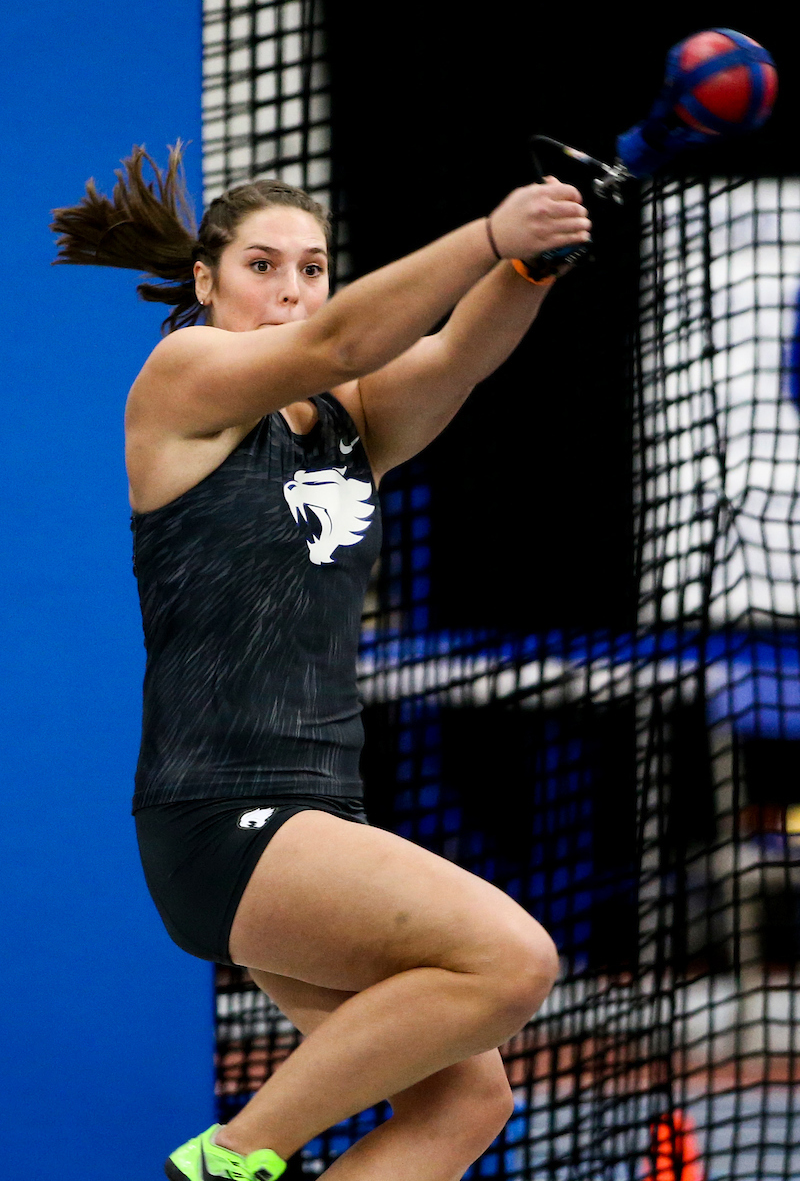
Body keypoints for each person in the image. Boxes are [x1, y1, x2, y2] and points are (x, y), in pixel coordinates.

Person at [51, 145, 592, 1181]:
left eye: (311, 267)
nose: (291, 291)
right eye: (262, 266)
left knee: (466, 1100)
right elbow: (345, 336)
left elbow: (453, 359)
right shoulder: (186, 376)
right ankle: (227, 1161)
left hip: (312, 822)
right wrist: (489, 232)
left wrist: (525, 269)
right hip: (219, 815)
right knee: (513, 961)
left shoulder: (347, 421)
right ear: (206, 281)